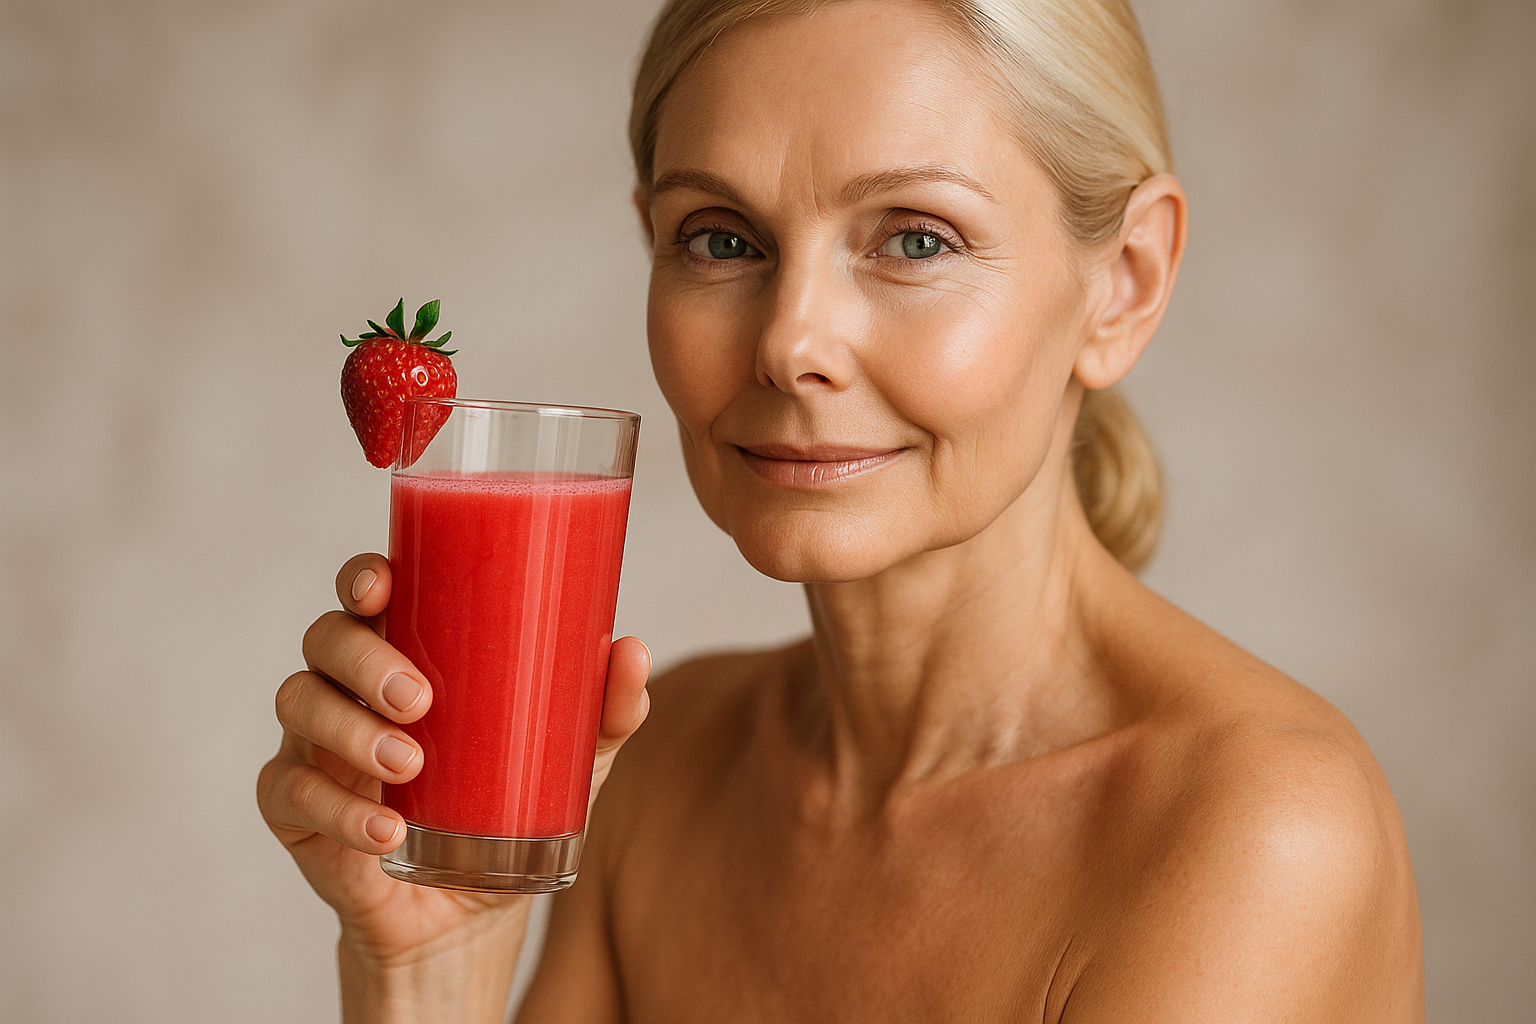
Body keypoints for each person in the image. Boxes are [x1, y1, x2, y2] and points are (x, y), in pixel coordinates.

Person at [257, 0, 1424, 1019]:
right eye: (721, 238)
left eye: (915, 238)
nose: (788, 342)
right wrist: (430, 965)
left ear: (1122, 285)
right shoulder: (663, 772)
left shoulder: (1255, 834)